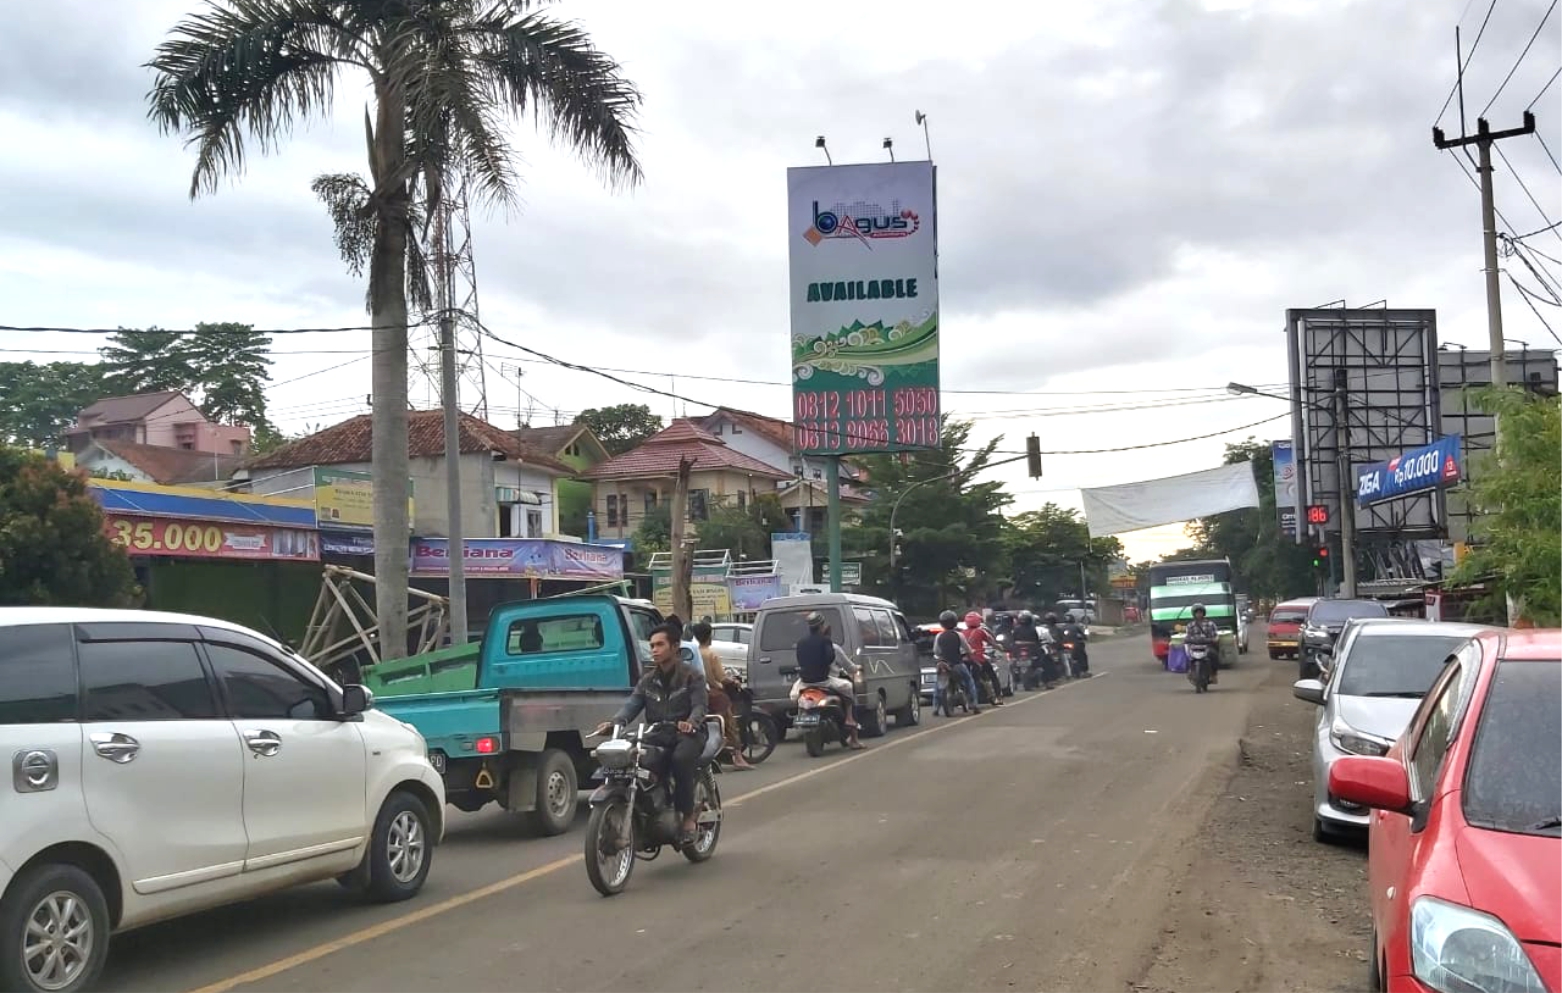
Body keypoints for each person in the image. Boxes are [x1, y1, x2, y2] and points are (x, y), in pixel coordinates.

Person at [594, 624, 710, 844]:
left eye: (660, 645)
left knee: (681, 759)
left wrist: (691, 722)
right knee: (628, 752)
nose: (654, 650)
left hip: (688, 733)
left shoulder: (691, 676)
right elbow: (632, 705)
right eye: (652, 645)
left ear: (674, 647)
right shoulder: (648, 680)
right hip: (657, 732)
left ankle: (687, 817)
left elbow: (700, 706)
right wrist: (614, 723)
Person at [791, 611, 865, 749]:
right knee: (848, 687)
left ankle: (800, 713)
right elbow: (831, 659)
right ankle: (849, 718)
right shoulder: (828, 642)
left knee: (794, 695)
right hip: (823, 681)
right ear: (822, 626)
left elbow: (800, 660)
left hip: (805, 681)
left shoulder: (801, 643)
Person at [691, 621, 753, 770]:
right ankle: (738, 757)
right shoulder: (711, 654)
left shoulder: (693, 652)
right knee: (730, 724)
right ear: (708, 635)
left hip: (697, 693)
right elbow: (721, 678)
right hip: (714, 693)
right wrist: (735, 682)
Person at [934, 610, 982, 715]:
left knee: (938, 684)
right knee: (969, 681)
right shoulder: (959, 635)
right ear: (955, 622)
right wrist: (971, 654)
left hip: (943, 664)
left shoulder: (938, 636)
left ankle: (936, 707)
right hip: (957, 664)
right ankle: (974, 705)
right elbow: (967, 649)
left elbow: (936, 651)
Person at [963, 611, 1005, 705]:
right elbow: (992, 642)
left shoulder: (962, 633)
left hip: (965, 659)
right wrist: (1000, 648)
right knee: (992, 675)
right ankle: (998, 697)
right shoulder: (981, 631)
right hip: (979, 659)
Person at [1183, 603, 1220, 685]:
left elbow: (1215, 635)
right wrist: (1186, 640)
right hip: (1194, 647)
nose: (1199, 614)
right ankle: (1190, 672)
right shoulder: (1190, 625)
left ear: (1203, 613)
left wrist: (1215, 639)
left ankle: (1213, 674)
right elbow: (1188, 636)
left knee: (1214, 656)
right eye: (1197, 613)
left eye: (1200, 612)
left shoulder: (1210, 624)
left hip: (1207, 646)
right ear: (1194, 614)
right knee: (1186, 657)